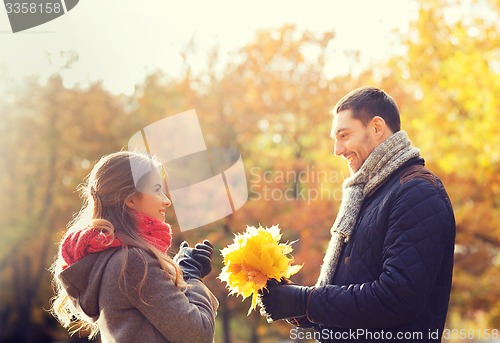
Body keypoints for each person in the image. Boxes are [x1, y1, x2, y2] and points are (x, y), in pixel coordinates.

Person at [259, 86, 456, 342]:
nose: (337, 150)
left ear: (376, 128)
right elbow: (354, 286)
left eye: (344, 135)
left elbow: (399, 297)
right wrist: (296, 305)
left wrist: (307, 300)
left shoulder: (416, 192)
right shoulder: (370, 193)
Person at [50, 151, 218, 343]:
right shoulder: (134, 262)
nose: (166, 200)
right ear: (130, 199)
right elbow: (198, 335)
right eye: (156, 189)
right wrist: (191, 276)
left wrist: (179, 271)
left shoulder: (110, 258)